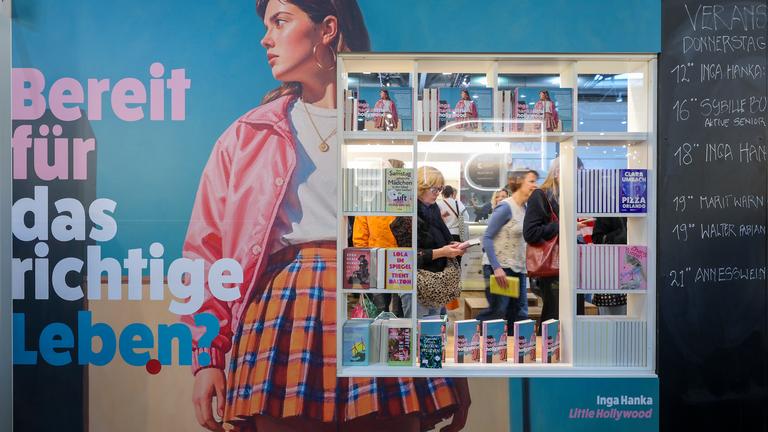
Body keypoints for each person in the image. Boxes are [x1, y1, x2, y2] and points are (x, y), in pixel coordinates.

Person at [183, 2, 469, 431]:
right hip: (285, 311)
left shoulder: (388, 136)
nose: (266, 38)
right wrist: (208, 358)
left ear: (327, 29)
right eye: (266, 26)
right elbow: (207, 256)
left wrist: (444, 357)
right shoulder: (248, 136)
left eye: (280, 22)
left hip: (376, 295)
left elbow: (410, 248)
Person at [476, 170, 538, 334]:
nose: (534, 185)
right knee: (497, 312)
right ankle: (468, 335)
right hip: (501, 268)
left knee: (518, 314)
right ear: (519, 183)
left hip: (518, 268)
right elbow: (487, 238)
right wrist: (497, 268)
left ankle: (514, 354)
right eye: (531, 181)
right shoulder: (505, 207)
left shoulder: (525, 208)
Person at [413, 166, 466, 318]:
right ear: (421, 187)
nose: (438, 194)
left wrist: (454, 245)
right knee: (420, 330)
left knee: (434, 329)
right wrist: (443, 252)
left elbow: (444, 235)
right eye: (434, 189)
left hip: (437, 279)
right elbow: (410, 256)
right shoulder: (410, 212)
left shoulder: (433, 207)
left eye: (440, 189)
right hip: (420, 284)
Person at [592, 217, 629, 315]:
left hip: (628, 269)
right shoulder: (607, 213)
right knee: (611, 318)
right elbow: (597, 239)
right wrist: (620, 233)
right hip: (610, 270)